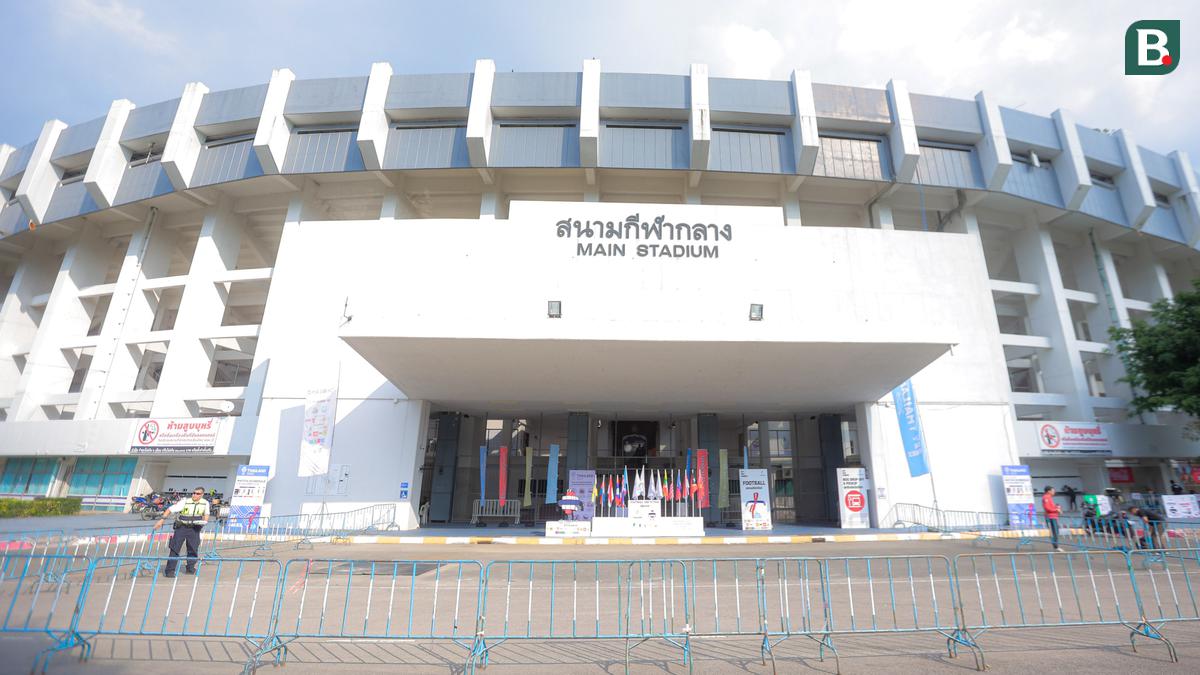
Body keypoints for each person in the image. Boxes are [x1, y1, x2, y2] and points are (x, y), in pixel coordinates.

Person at [154, 486, 210, 577]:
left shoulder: (205, 503)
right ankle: (170, 571)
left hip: (195, 528)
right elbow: (170, 510)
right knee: (175, 548)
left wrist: (204, 522)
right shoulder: (185, 501)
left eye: (197, 493)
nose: (194, 495)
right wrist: (161, 520)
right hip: (182, 527)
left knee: (193, 548)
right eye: (193, 493)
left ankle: (190, 568)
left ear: (202, 495)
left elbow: (206, 515)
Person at [1042, 486, 1062, 552]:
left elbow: (1050, 507)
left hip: (1053, 517)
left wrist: (1057, 508)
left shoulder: (1049, 497)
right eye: (1053, 490)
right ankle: (1056, 546)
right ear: (1049, 491)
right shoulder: (1046, 497)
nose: (1054, 492)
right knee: (1054, 532)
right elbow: (1047, 508)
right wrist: (1056, 510)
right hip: (1050, 517)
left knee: (1056, 532)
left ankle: (1056, 546)